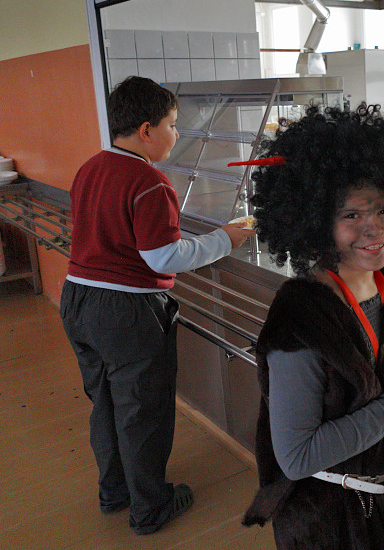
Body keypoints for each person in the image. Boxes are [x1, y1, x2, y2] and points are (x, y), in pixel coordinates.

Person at [242, 104, 384, 550]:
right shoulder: (300, 320)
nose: (375, 229)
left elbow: (375, 372)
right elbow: (297, 456)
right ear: (316, 220)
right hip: (332, 520)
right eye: (351, 216)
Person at [60, 76, 255, 535]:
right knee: (142, 410)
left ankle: (115, 492)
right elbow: (163, 257)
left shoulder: (91, 167)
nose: (177, 133)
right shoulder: (149, 181)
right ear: (147, 130)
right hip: (126, 311)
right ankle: (150, 508)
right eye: (172, 124)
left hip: (78, 298)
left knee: (106, 402)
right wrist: (225, 239)